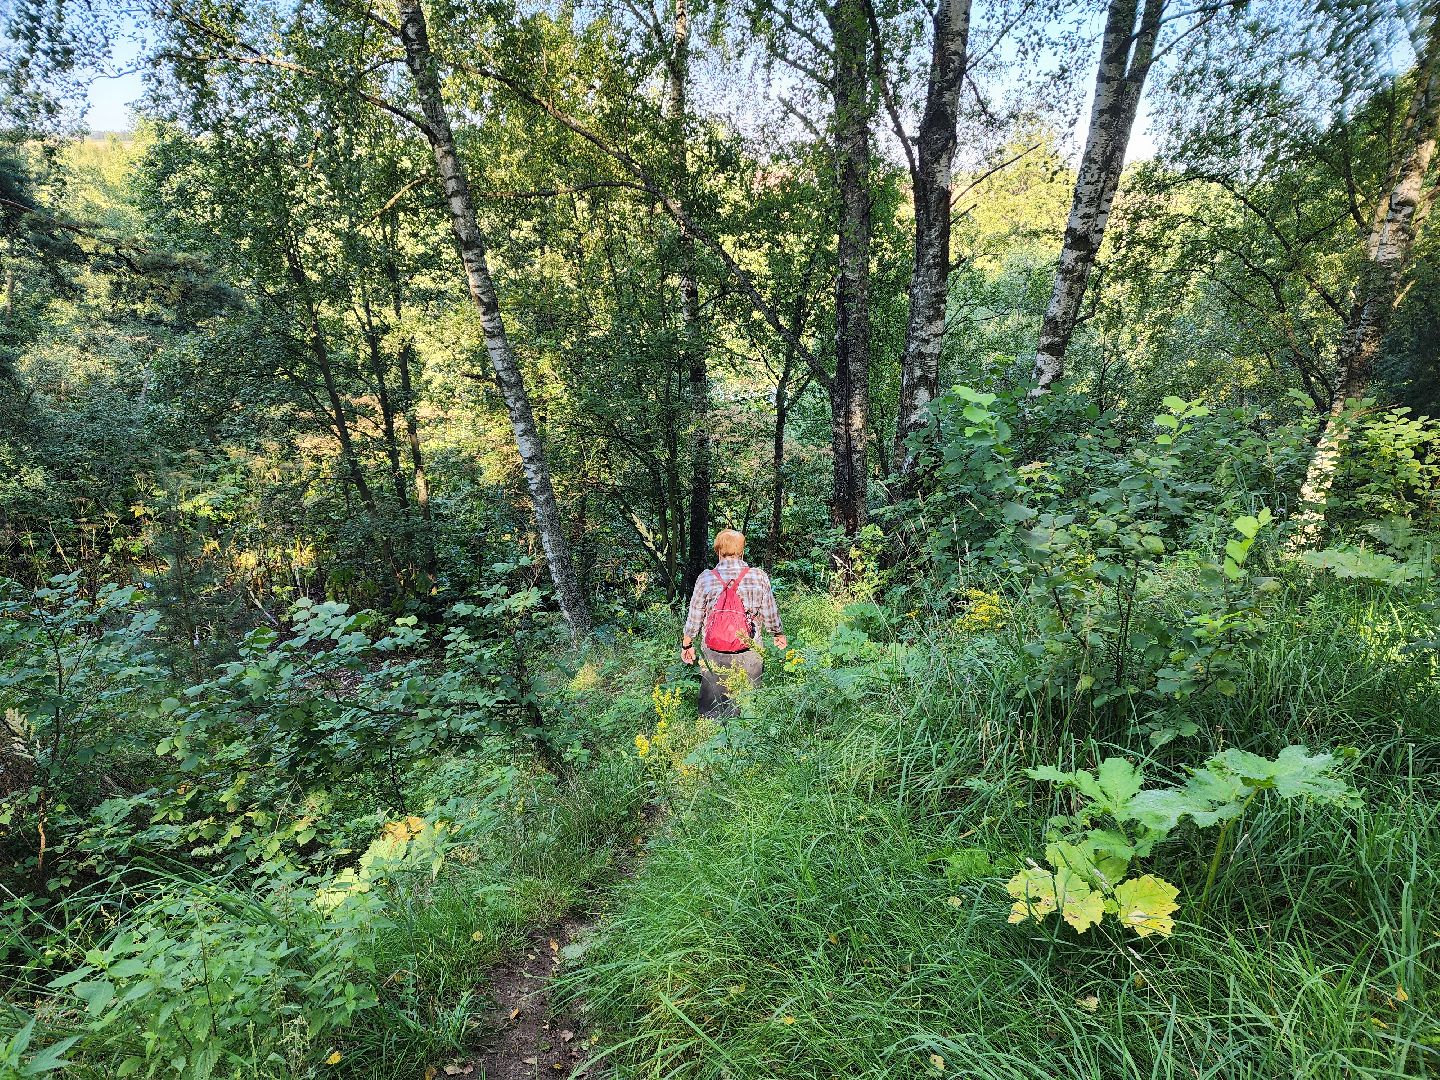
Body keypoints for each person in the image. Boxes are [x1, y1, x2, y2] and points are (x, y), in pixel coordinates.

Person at [681, 529, 787, 718]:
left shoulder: (706, 578)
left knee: (713, 706)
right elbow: (770, 612)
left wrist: (687, 644)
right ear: (742, 551)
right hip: (749, 647)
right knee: (749, 704)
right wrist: (777, 634)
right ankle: (747, 739)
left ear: (718, 552)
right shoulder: (758, 576)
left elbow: (695, 615)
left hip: (714, 650)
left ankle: (712, 738)